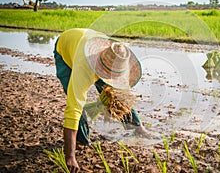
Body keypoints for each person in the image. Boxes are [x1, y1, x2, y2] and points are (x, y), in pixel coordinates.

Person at [53, 28, 150, 172]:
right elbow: (73, 109)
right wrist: (70, 156)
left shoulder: (115, 50)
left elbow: (121, 95)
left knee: (116, 95)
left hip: (85, 42)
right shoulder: (83, 69)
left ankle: (137, 127)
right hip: (65, 50)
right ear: (101, 68)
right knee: (77, 102)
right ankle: (81, 140)